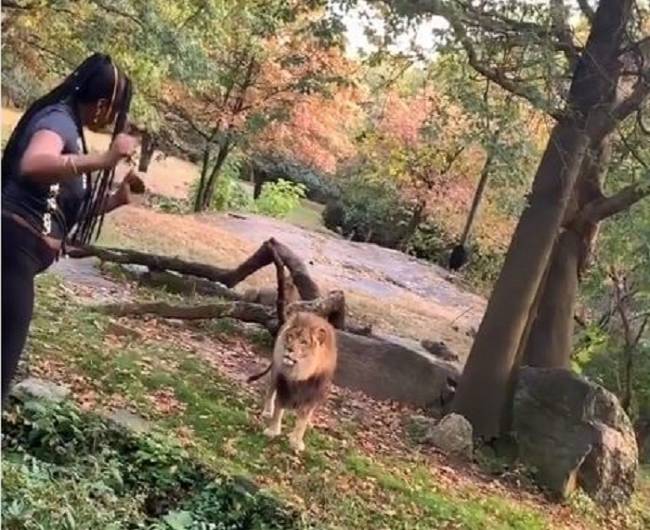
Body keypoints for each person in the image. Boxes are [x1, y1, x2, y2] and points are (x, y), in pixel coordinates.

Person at [2, 52, 144, 402]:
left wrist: (117, 199)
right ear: (100, 105)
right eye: (115, 111)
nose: (113, 120)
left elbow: (63, 213)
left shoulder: (71, 129)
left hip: (18, 256)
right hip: (10, 252)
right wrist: (105, 159)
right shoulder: (58, 121)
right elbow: (34, 163)